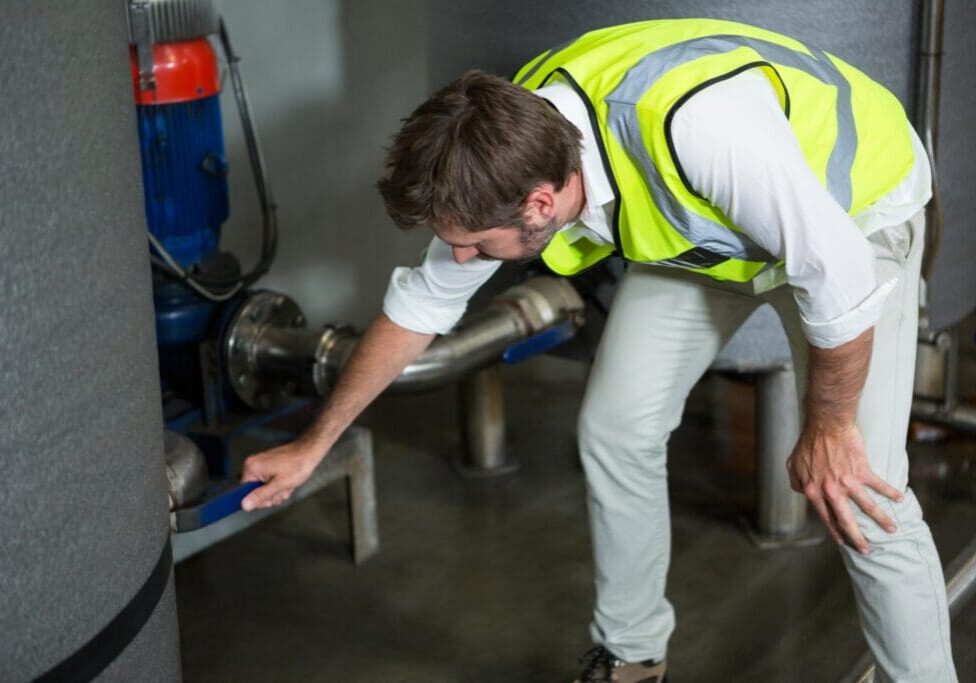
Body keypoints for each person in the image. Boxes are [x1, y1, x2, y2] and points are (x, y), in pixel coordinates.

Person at [239, 18, 956, 682]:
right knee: (617, 424)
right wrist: (314, 442)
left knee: (864, 493)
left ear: (540, 207)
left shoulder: (697, 131)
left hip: (857, 216)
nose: (458, 256)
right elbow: (419, 307)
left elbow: (841, 281)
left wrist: (829, 429)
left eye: (474, 245)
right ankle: (633, 654)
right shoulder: (503, 158)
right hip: (722, 237)